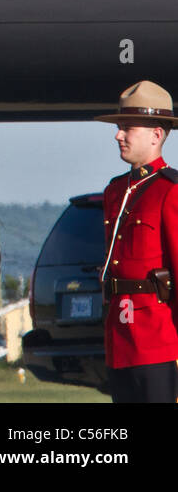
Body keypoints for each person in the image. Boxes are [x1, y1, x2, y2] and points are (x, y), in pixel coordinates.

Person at [94, 79, 178, 403]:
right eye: (119, 126)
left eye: (128, 128)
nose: (118, 135)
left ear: (157, 134)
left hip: (159, 341)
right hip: (120, 338)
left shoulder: (170, 190)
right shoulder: (116, 191)